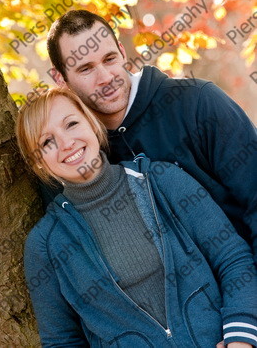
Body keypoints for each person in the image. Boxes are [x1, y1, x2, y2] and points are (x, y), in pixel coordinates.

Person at [16, 87, 257, 347]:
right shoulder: (46, 244)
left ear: (93, 124)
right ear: (38, 162)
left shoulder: (164, 181)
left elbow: (233, 259)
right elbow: (61, 341)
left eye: (71, 124)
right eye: (47, 142)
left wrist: (240, 339)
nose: (66, 143)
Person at [43, 10, 257, 263]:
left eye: (109, 59)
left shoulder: (197, 102)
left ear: (122, 52)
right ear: (60, 78)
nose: (106, 78)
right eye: (86, 69)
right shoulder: (71, 154)